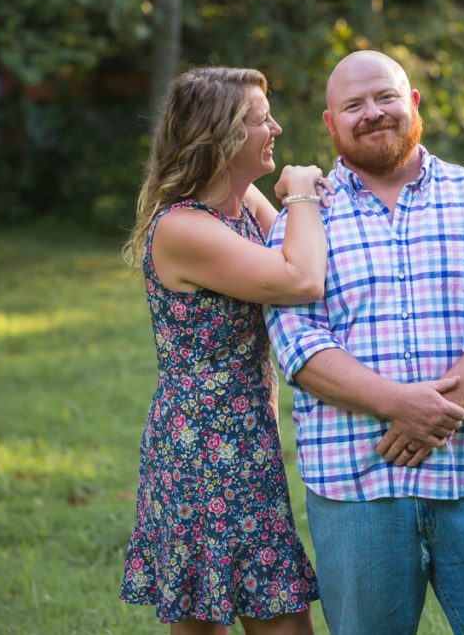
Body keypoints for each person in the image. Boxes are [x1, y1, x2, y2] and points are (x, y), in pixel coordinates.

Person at [265, 51, 464, 634]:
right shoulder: (302, 222)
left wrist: (434, 412)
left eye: (385, 98)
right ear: (330, 123)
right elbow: (299, 346)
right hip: (355, 488)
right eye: (353, 106)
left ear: (413, 103)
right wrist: (399, 405)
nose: (372, 113)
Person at [119, 66, 326, 635]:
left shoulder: (238, 206)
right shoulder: (184, 228)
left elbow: (297, 243)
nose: (277, 129)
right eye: (263, 122)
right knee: (272, 620)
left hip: (241, 442)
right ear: (224, 137)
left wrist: (294, 201)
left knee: (214, 619)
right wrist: (302, 188)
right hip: (205, 453)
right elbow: (302, 278)